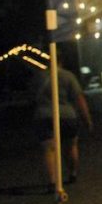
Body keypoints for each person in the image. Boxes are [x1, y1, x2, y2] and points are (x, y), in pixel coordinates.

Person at [34, 56, 93, 188]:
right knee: (71, 146)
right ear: (60, 61)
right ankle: (72, 173)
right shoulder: (68, 76)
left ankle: (52, 180)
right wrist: (87, 118)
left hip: (44, 116)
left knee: (49, 149)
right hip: (67, 115)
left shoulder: (38, 77)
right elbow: (79, 98)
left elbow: (31, 96)